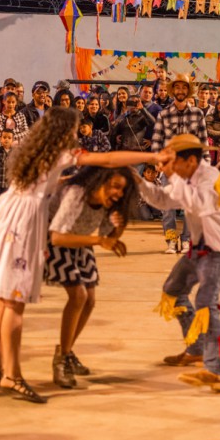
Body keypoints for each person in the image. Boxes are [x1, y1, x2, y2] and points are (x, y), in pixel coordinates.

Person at [0, 107, 163, 403]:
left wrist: (62, 182)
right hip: (23, 223)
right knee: (15, 301)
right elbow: (108, 159)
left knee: (3, 299)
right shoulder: (61, 154)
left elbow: (39, 183)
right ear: (63, 131)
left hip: (3, 215)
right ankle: (11, 375)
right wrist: (152, 157)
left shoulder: (32, 151)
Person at [137, 134, 220, 390]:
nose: (168, 167)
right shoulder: (187, 178)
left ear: (190, 161)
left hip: (218, 249)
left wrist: (171, 175)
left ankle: (216, 369)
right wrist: (138, 181)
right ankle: (196, 348)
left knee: (206, 302)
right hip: (200, 247)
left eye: (173, 162)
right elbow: (163, 200)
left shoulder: (211, 178)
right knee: (173, 290)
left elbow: (199, 204)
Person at [46, 166, 138, 388]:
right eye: (115, 186)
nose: (118, 193)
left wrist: (119, 227)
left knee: (90, 300)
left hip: (81, 240)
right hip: (53, 241)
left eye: (122, 190)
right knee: (78, 295)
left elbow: (107, 236)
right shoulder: (76, 193)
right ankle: (61, 361)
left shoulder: (109, 203)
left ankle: (66, 351)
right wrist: (98, 241)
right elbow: (57, 237)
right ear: (100, 180)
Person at [151, 74, 208, 253]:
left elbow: (203, 142)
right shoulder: (164, 114)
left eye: (184, 87)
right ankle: (170, 240)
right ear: (173, 90)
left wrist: (206, 165)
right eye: (177, 87)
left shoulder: (198, 113)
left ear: (188, 91)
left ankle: (186, 240)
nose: (181, 90)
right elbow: (157, 140)